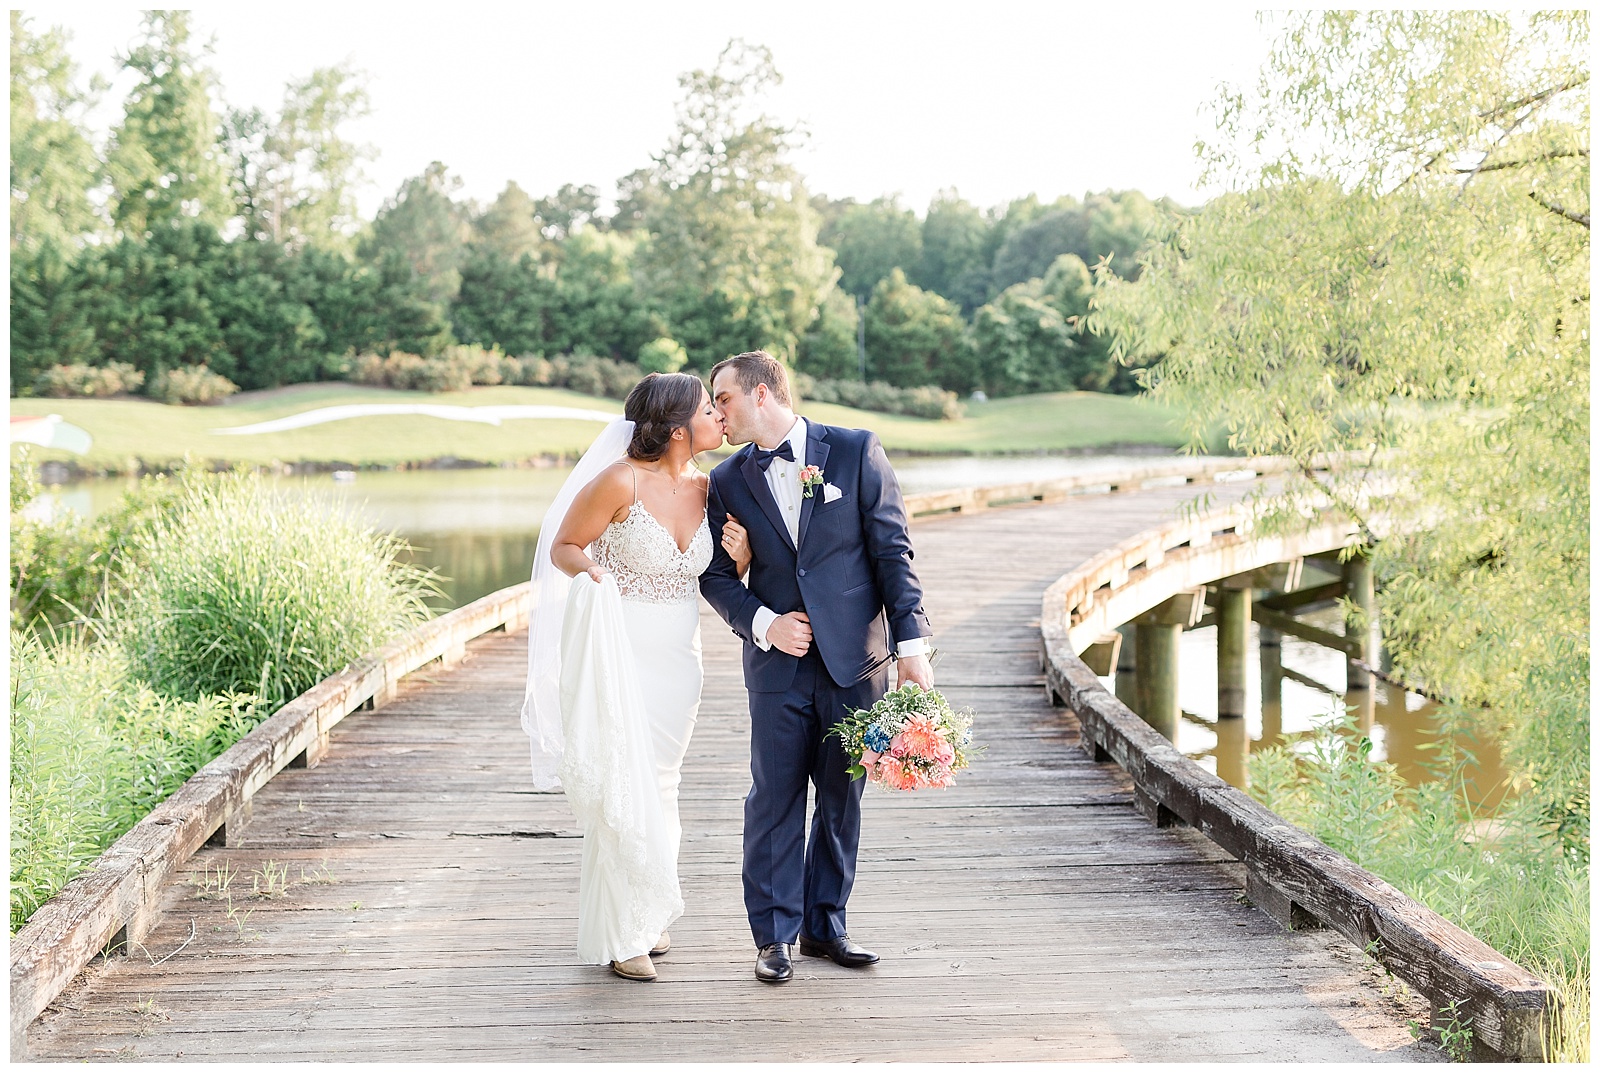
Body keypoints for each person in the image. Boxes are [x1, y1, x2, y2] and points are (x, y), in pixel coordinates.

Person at [699, 350, 934, 985]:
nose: (716, 412)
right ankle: (772, 936)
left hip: (856, 663)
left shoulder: (856, 451)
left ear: (763, 393)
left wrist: (912, 646)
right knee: (773, 797)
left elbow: (893, 552)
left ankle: (826, 926)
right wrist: (764, 623)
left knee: (841, 794)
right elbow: (716, 577)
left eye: (723, 399)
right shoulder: (726, 481)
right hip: (776, 666)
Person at [520, 372, 750, 983]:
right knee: (626, 779)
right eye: (709, 409)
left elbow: (718, 572)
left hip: (681, 659)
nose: (719, 417)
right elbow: (564, 546)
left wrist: (744, 557)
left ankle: (648, 909)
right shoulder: (620, 479)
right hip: (621, 648)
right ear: (678, 429)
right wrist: (595, 576)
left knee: (664, 785)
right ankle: (623, 934)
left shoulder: (710, 488)